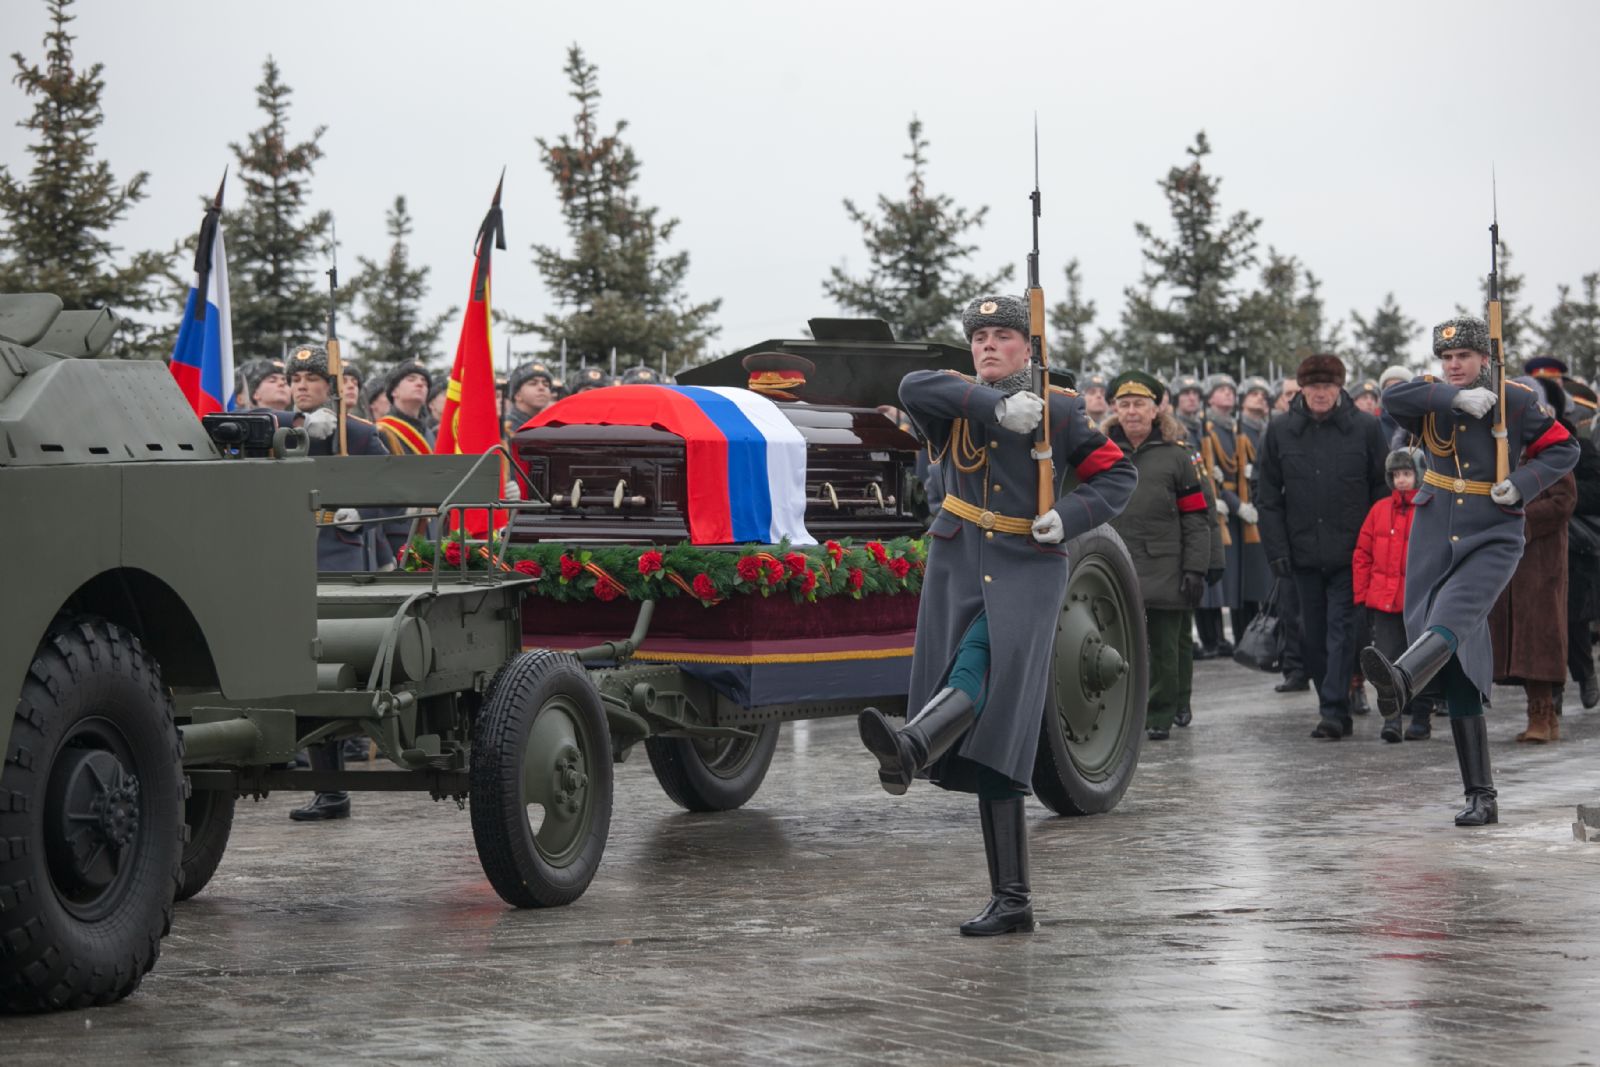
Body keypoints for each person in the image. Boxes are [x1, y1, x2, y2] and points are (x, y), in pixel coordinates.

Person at [856, 294, 1135, 936]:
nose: (987, 345)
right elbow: (910, 384)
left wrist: (1070, 516)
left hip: (1027, 564)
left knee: (984, 664)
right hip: (959, 564)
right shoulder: (953, 398)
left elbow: (1116, 478)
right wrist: (997, 405)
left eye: (1003, 335)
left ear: (1028, 346)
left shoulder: (1060, 412)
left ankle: (913, 744)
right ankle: (1013, 900)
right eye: (979, 336)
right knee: (1000, 733)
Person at [1362, 317, 1578, 826]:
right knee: (1459, 663)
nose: (1454, 365)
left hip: (1495, 530)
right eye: (1447, 358)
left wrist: (1523, 483)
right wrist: (1450, 401)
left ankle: (1403, 678)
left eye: (1464, 357)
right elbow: (1393, 401)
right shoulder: (1432, 395)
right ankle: (1481, 795)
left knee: (1455, 614)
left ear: (1485, 357)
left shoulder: (1518, 400)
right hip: (1435, 526)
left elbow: (1564, 447)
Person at [283, 342, 395, 821]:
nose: (301, 387)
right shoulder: (282, 431)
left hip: (341, 558)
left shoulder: (361, 434)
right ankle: (328, 790)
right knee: (299, 670)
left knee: (333, 669)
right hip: (289, 557)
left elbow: (392, 492)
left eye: (311, 380)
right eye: (295, 380)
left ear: (330, 388)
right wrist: (308, 433)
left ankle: (333, 788)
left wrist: (362, 511)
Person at [1256, 353, 1389, 738]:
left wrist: (1373, 546)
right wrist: (1277, 550)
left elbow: (1380, 491)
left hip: (1351, 553)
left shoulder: (1365, 428)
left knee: (1342, 631)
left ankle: (1334, 709)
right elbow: (1268, 497)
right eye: (1313, 387)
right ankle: (1330, 701)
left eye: (1327, 387)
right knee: (1311, 634)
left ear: (1339, 388)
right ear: (1302, 389)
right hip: (1301, 554)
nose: (1320, 394)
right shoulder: (1280, 431)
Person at [1102, 371, 1211, 740]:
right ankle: (1130, 708)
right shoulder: (1101, 452)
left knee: (1167, 644)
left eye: (1140, 404)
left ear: (1155, 410)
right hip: (1117, 560)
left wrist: (1198, 567)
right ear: (1115, 409)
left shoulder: (1177, 456)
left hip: (1167, 562)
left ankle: (1162, 713)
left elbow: (1197, 516)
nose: (1132, 412)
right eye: (1125, 404)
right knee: (1119, 643)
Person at [1489, 375, 1577, 743]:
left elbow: (1563, 503)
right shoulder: (1499, 449)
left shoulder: (1551, 449)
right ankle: (1544, 716)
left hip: (1541, 561)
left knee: (1539, 638)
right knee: (1517, 640)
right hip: (1508, 562)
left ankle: (1543, 714)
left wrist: (1520, 517)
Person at [1353, 447, 1434, 741]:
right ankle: (1392, 720)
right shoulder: (1379, 510)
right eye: (1397, 474)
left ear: (1418, 475)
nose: (1402, 480)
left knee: (1421, 661)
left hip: (1418, 602)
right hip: (1384, 602)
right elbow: (1363, 554)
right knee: (1387, 663)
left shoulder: (1428, 509)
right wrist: (1363, 595)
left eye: (1407, 474)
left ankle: (1422, 718)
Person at [1557, 374, 1600, 711]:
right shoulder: (1524, 449)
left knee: (1573, 619)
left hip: (1575, 545)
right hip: (1539, 543)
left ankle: (1585, 675)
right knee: (1542, 622)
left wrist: (1565, 497)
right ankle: (1549, 695)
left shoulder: (1580, 448)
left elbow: (1596, 491)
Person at [1196, 373, 1245, 657]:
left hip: (1229, 501)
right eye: (1221, 390)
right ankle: (1210, 637)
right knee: (1211, 574)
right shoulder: (1209, 427)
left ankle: (1220, 638)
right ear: (1210, 397)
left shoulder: (1230, 427)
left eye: (1230, 389)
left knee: (1228, 577)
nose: (1228, 394)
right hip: (1215, 501)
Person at [378, 361, 435, 454]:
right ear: (394, 391)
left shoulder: (430, 434)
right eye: (411, 379)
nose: (420, 384)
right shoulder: (381, 432)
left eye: (424, 382)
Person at [504, 361, 556, 436]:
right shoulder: (505, 429)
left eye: (546, 384)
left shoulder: (549, 427)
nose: (541, 387)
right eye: (533, 383)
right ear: (517, 395)